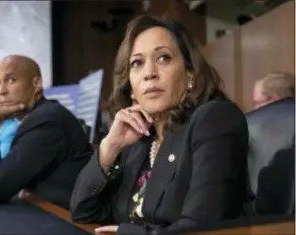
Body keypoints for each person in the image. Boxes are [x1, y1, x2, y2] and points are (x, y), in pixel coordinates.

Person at [70, 15, 249, 234]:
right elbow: (83, 211)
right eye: (137, 63)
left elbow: (201, 227)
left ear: (189, 74)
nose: (149, 73)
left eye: (163, 58)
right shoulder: (138, 142)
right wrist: (110, 148)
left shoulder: (214, 120)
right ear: (131, 86)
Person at [0, 55, 93, 208]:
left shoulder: (47, 120)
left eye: (11, 80)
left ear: (36, 83)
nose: (1, 91)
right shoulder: (38, 117)